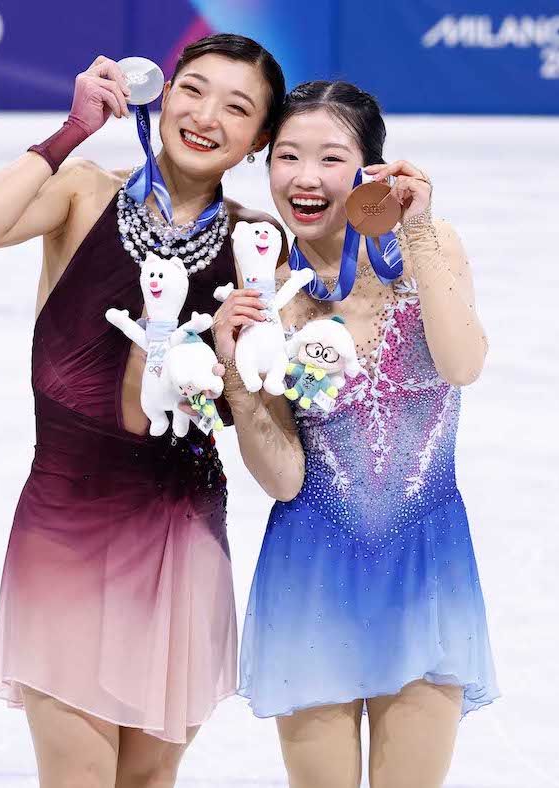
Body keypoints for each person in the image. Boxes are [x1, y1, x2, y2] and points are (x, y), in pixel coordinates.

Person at [0, 35, 286, 788]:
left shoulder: (257, 243)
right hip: (67, 529)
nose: (204, 116)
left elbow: (256, 396)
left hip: (180, 531)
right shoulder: (85, 193)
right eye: (191, 91)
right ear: (159, 95)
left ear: (260, 137)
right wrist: (71, 132)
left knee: (144, 782)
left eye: (236, 107)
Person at [212, 80, 500, 788]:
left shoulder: (425, 247)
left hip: (425, 563)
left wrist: (422, 226)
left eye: (330, 158)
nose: (305, 178)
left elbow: (461, 363)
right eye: (286, 157)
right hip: (311, 569)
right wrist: (236, 373)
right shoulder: (264, 286)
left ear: (370, 168)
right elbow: (282, 479)